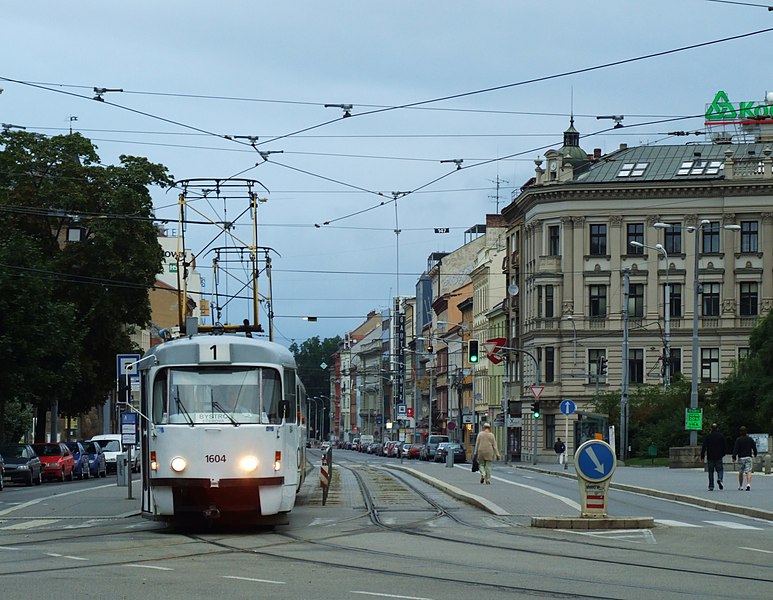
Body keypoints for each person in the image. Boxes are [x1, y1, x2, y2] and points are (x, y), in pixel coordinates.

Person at [700, 423, 726, 491]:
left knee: (710, 471)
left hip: (710, 456)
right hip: (719, 455)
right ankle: (720, 479)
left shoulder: (708, 436)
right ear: (717, 428)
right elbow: (724, 446)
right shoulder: (721, 436)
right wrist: (723, 454)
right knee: (720, 470)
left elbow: (704, 447)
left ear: (711, 429)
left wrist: (702, 456)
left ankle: (711, 486)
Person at [732, 425, 758, 491]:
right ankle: (748, 484)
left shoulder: (738, 440)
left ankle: (741, 486)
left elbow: (736, 449)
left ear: (740, 432)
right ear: (746, 431)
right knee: (748, 471)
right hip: (748, 457)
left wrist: (734, 456)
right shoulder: (750, 439)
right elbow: (754, 447)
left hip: (741, 457)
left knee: (741, 472)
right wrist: (755, 453)